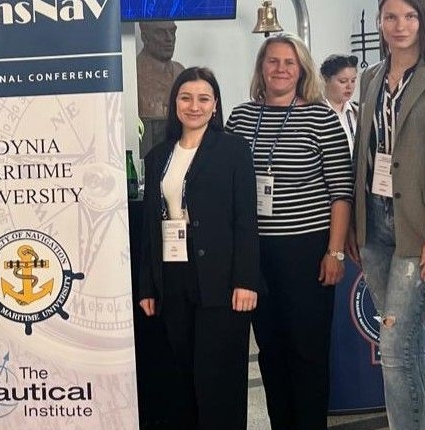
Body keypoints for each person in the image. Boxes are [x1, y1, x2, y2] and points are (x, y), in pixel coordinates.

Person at [351, 0, 425, 428]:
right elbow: (362, 153)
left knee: (393, 343)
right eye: (390, 17)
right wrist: (354, 225)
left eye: (409, 16)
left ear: (423, 22)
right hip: (374, 222)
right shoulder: (370, 77)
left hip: (421, 227)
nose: (399, 25)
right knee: (407, 343)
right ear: (380, 22)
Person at [225, 33, 353, 429]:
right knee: (270, 349)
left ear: (302, 71)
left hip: (307, 251)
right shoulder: (240, 117)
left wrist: (334, 252)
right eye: (273, 61)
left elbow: (341, 192)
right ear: (261, 68)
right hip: (255, 253)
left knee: (307, 350)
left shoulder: (320, 118)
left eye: (289, 62)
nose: (280, 69)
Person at [137, 66, 259, 430]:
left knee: (219, 380)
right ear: (174, 103)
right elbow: (150, 227)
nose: (194, 106)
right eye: (186, 98)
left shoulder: (233, 150)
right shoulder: (158, 156)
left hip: (221, 279)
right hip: (172, 276)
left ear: (215, 104)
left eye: (203, 99)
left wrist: (246, 280)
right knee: (181, 379)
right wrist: (147, 285)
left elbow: (245, 218)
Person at [137, 21, 185, 157]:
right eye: (160, 33)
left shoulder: (181, 72)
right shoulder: (132, 73)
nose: (169, 39)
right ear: (145, 37)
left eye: (172, 32)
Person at [320, 54, 360, 154]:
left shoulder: (358, 112)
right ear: (325, 80)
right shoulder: (316, 113)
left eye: (353, 81)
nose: (349, 86)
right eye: (343, 81)